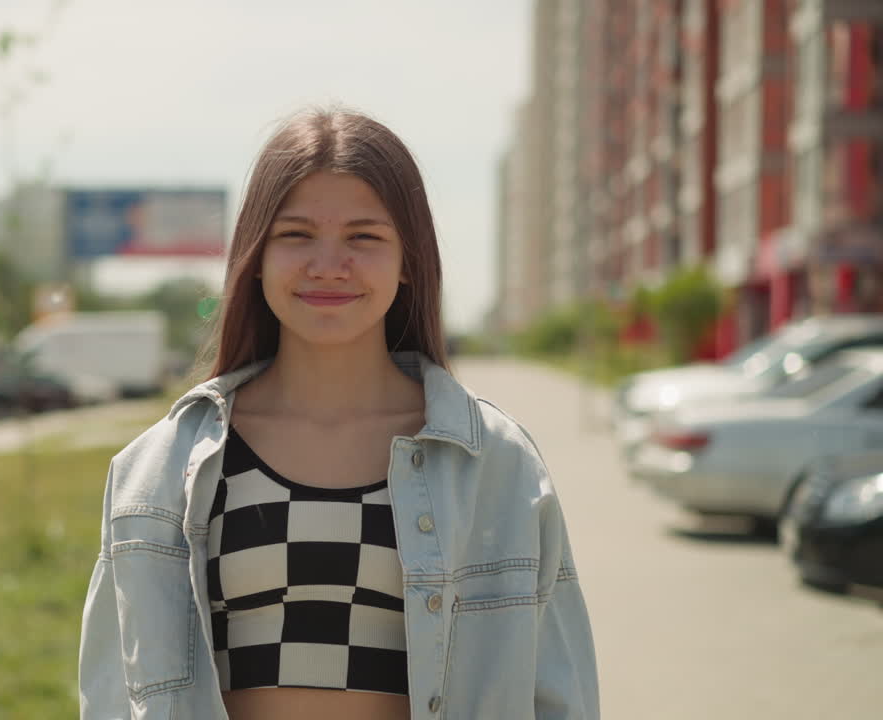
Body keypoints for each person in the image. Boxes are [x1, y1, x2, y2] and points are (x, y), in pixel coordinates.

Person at [79, 107, 600, 720]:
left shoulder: (497, 462)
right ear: (257, 257)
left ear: (409, 261)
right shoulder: (160, 470)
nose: (328, 264)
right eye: (296, 235)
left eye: (364, 237)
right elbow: (112, 696)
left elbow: (558, 693)